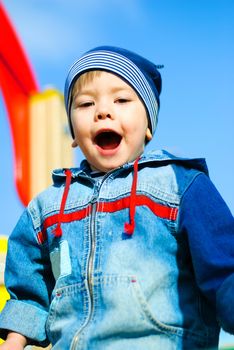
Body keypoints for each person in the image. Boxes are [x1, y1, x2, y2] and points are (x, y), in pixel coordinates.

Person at [0, 46, 234, 350]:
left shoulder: (181, 186)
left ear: (148, 126)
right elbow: (30, 292)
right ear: (72, 132)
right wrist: (13, 343)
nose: (102, 111)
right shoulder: (46, 208)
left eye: (122, 99)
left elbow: (223, 269)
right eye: (85, 103)